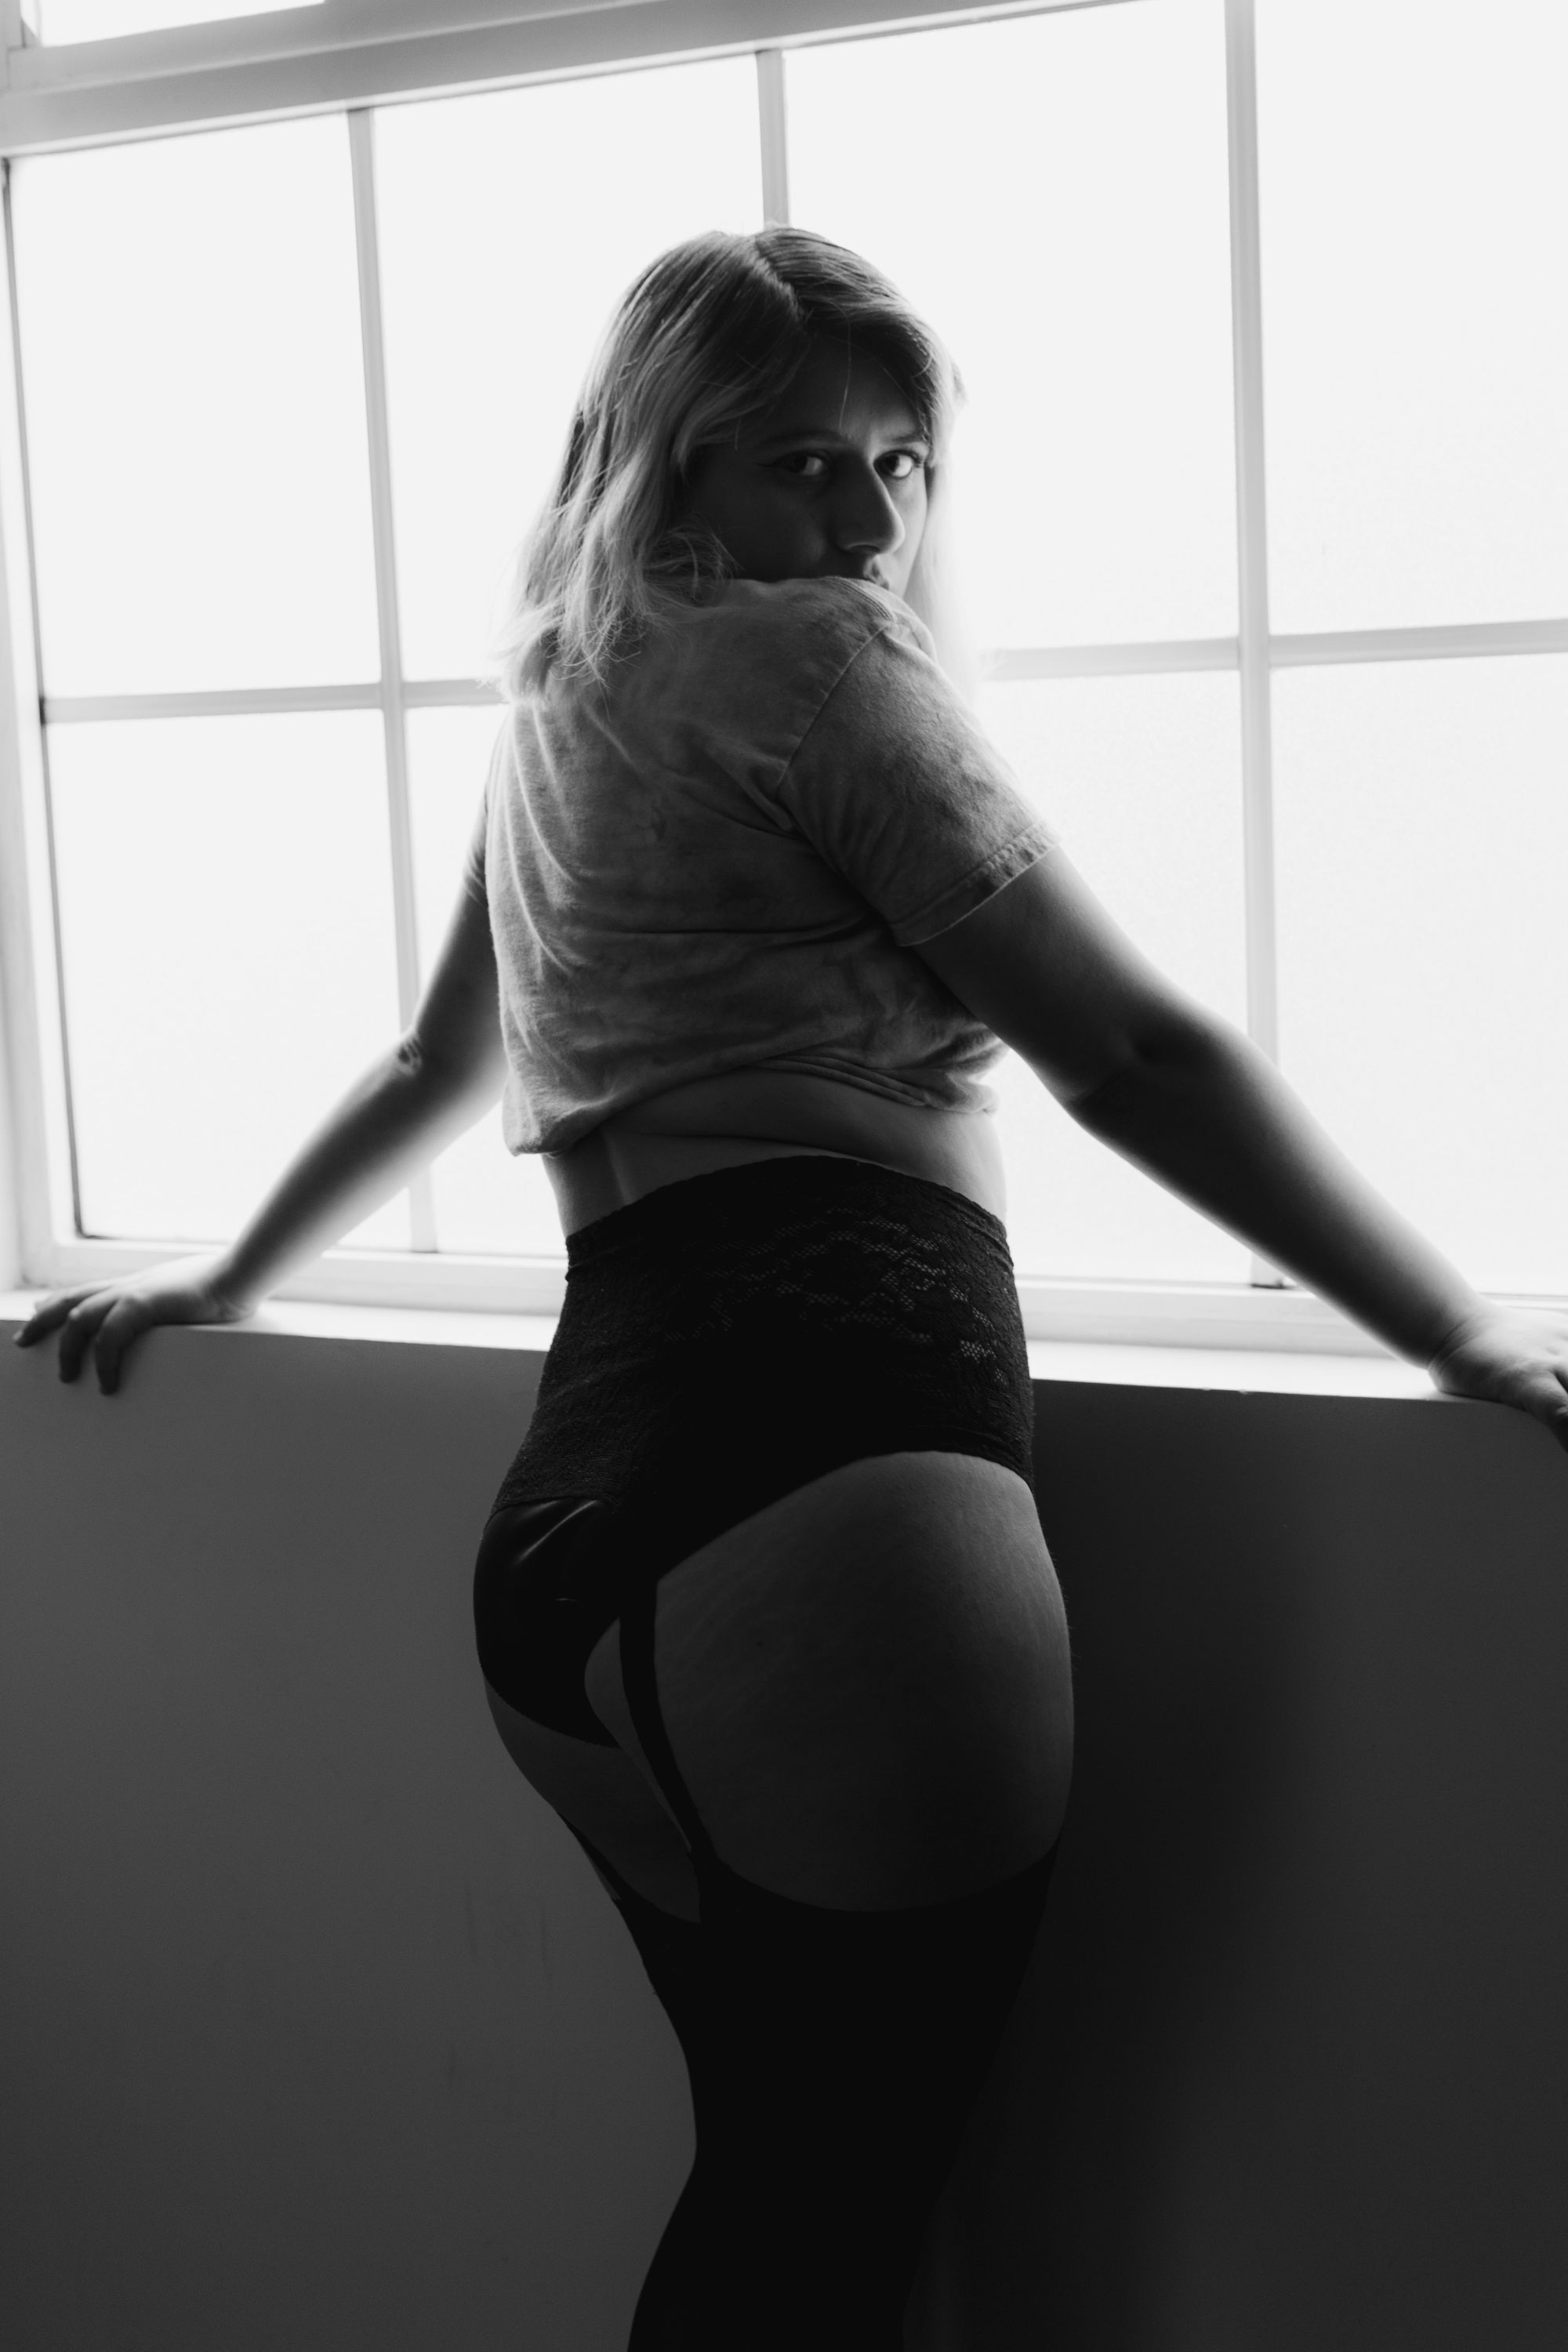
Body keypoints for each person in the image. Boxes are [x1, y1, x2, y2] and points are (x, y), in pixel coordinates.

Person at [16, 227, 1568, 2349]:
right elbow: (1130, 1054)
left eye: (899, 463)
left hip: (574, 1547)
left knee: (778, 2205)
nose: (864, 519)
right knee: (829, 2229)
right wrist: (1459, 1331)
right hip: (829, 1498)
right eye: (797, 461)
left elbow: (437, 1060)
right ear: (664, 463)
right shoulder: (821, 668)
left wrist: (231, 1271)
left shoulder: (561, 695)